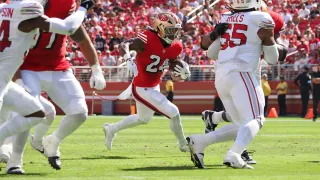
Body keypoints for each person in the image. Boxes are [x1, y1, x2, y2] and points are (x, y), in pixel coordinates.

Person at [0, 0, 101, 174]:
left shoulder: (4, 9)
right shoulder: (27, 10)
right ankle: (11, 153)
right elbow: (68, 27)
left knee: (38, 112)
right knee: (26, 112)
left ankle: (15, 141)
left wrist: (96, 68)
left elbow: (77, 34)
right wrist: (84, 8)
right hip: (12, 73)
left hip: (17, 76)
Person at [187, 0, 279, 169]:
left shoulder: (226, 18)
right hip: (242, 72)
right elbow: (273, 59)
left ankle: (199, 141)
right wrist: (269, 43)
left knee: (241, 124)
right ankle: (234, 154)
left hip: (222, 75)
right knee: (256, 118)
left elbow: (211, 52)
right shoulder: (262, 18)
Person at [103, 12, 191, 152]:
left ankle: (111, 129)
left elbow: (172, 60)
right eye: (171, 30)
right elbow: (123, 45)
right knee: (174, 112)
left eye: (176, 30)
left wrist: (180, 68)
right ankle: (183, 144)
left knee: (142, 119)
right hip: (141, 87)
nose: (174, 34)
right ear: (160, 28)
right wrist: (128, 60)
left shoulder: (176, 46)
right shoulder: (147, 38)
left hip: (153, 86)